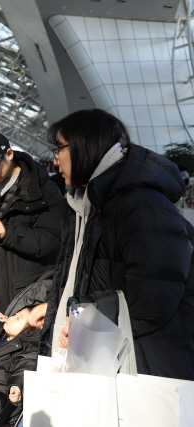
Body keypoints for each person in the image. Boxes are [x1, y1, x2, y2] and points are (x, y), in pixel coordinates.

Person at [38, 109, 194, 380]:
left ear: (84, 147)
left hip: (141, 367)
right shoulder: (84, 204)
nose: (55, 159)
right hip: (104, 358)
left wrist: (87, 319)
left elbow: (154, 299)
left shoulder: (140, 205)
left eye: (59, 148)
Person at [0, 131, 63, 331]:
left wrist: (8, 232)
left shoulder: (42, 190)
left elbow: (53, 240)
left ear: (9, 153)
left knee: (17, 357)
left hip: (23, 298)